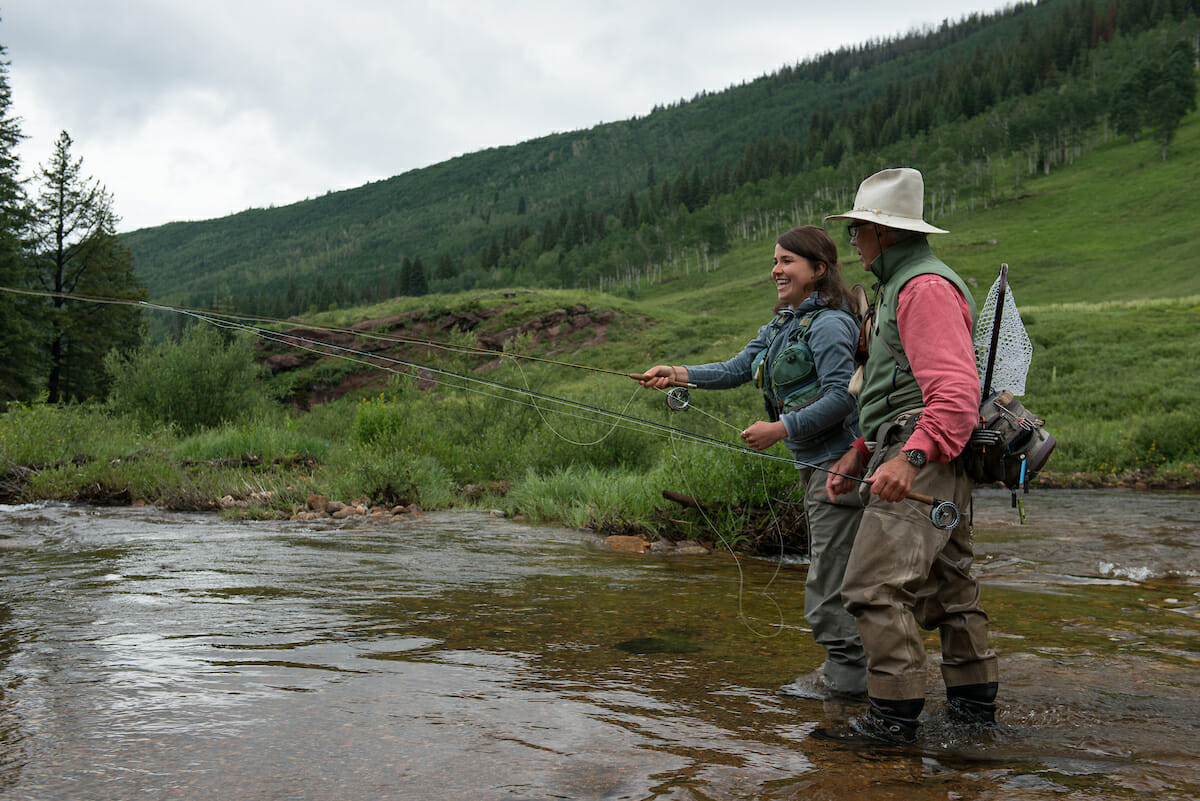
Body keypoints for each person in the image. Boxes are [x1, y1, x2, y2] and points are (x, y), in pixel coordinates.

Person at [635, 225, 868, 701]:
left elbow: (842, 399)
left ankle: (848, 692)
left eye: (787, 262)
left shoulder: (830, 324)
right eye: (775, 261)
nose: (775, 270)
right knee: (833, 577)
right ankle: (854, 684)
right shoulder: (785, 323)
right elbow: (737, 369)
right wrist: (675, 372)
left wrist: (780, 429)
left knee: (829, 584)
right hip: (817, 467)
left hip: (839, 470)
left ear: (818, 270)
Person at [815, 168, 998, 746]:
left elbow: (953, 394)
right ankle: (973, 718)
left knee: (871, 587)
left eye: (858, 232)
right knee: (949, 590)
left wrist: (909, 459)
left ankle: (892, 722)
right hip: (924, 452)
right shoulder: (907, 284)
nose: (854, 244)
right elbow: (900, 386)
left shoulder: (922, 289)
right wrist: (861, 452)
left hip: (926, 454)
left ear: (882, 233)